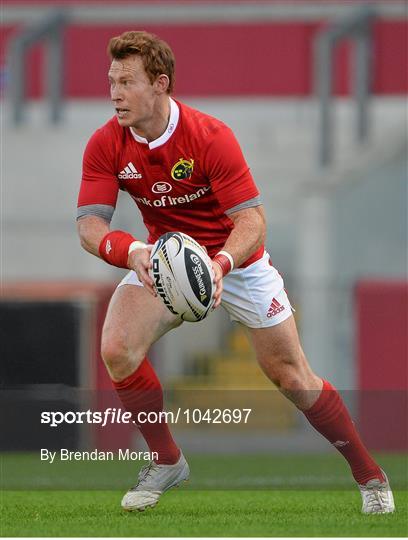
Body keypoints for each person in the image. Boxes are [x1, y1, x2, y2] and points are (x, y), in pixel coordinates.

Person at [77, 30, 394, 514]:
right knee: (117, 349)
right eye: (111, 81)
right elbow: (88, 225)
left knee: (292, 378)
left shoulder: (210, 136)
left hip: (237, 262)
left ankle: (370, 476)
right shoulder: (106, 143)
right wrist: (133, 251)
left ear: (160, 84)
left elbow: (254, 221)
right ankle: (166, 460)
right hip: (165, 261)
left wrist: (221, 263)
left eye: (127, 82)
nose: (115, 93)